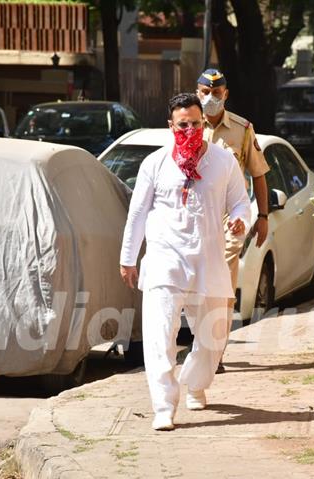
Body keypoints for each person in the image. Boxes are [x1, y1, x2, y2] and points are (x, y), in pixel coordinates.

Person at [119, 92, 251, 431]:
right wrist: (128, 258)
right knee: (160, 335)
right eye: (182, 124)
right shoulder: (155, 163)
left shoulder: (223, 162)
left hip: (209, 260)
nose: (189, 129)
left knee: (214, 337)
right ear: (170, 126)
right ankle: (164, 406)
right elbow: (137, 213)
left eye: (195, 123)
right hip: (165, 261)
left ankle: (195, 382)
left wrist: (239, 219)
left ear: (203, 123)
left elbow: (240, 202)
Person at [196, 68, 271, 373]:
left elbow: (258, 175)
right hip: (195, 219)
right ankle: (199, 343)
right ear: (196, 91)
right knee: (196, 288)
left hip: (230, 221)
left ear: (225, 94)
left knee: (223, 288)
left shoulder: (242, 129)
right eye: (205, 92)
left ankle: (215, 352)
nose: (211, 99)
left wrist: (263, 216)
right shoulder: (186, 125)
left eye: (216, 93)